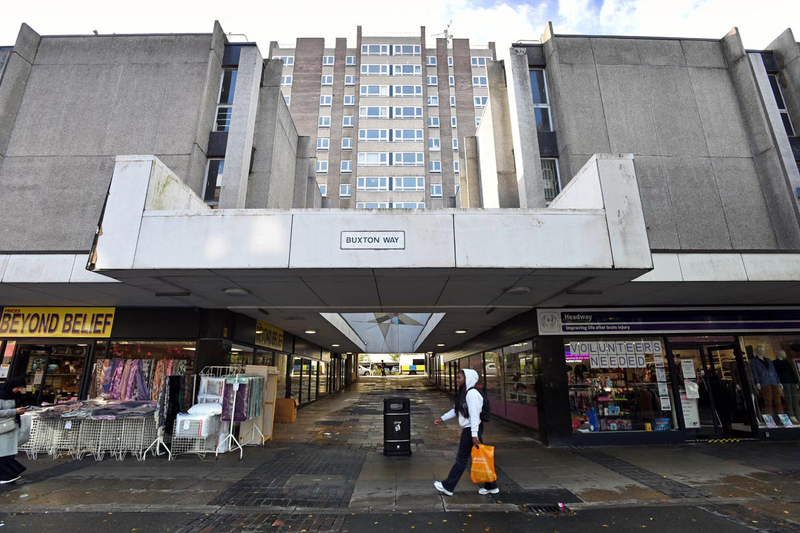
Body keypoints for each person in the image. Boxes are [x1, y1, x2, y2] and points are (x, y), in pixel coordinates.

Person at [433, 369, 499, 496]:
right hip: (471, 429)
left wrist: (474, 434)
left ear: (467, 379)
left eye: (459, 378)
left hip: (471, 429)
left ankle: (448, 486)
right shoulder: (465, 394)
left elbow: (475, 415)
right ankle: (491, 486)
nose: (457, 380)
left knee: (461, 459)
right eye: (457, 377)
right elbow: (456, 410)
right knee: (480, 457)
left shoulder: (472, 394)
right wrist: (442, 418)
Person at [0, 377, 27, 484]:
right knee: (4, 451)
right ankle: (5, 475)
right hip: (3, 427)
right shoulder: (2, 396)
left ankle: (10, 473)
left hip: (11, 425)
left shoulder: (15, 396)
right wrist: (14, 411)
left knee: (8, 451)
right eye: (17, 387)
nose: (19, 390)